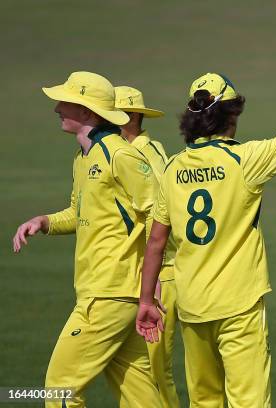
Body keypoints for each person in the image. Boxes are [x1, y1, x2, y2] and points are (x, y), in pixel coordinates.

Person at [135, 18, 276, 407]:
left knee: (204, 401)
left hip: (192, 306)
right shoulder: (244, 160)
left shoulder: (174, 168)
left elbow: (157, 241)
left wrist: (146, 300)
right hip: (239, 307)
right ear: (231, 115)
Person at [12, 72, 161, 408]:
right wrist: (45, 221)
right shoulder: (84, 159)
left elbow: (159, 215)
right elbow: (81, 213)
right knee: (137, 392)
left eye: (66, 102)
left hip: (109, 294)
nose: (57, 109)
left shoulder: (120, 155)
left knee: (60, 388)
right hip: (112, 294)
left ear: (89, 114)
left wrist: (154, 283)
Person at [115, 85, 181, 408]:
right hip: (168, 272)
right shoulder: (155, 147)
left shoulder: (133, 157)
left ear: (128, 118)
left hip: (158, 277)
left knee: (153, 372)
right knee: (150, 371)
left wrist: (150, 283)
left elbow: (155, 222)